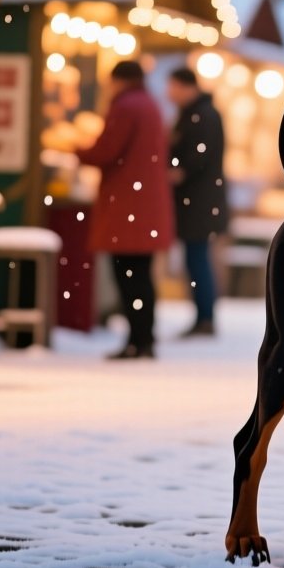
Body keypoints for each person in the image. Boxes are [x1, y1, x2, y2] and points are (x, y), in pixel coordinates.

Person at [78, 61, 176, 360]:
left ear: (119, 80)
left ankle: (138, 340)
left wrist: (76, 149)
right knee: (141, 276)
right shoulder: (149, 104)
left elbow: (105, 151)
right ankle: (144, 338)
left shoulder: (125, 107)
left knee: (129, 276)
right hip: (144, 206)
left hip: (127, 207)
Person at [166, 67, 228, 339]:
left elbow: (199, 155)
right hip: (199, 201)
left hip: (199, 202)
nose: (169, 94)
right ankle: (204, 316)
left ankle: (205, 317)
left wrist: (179, 170)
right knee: (196, 258)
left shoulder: (201, 115)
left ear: (185, 86)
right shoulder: (197, 113)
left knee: (197, 258)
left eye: (173, 87)